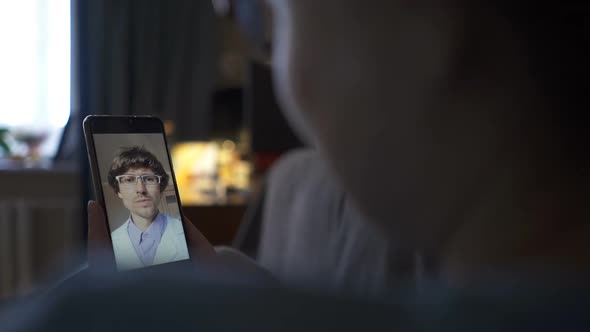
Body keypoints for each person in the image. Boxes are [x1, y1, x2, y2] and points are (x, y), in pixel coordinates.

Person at [106, 146, 189, 270]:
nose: (141, 189)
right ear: (119, 191)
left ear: (160, 189)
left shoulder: (187, 234)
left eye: (149, 179)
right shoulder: (107, 243)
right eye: (129, 180)